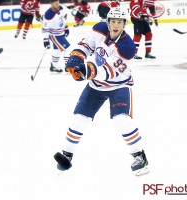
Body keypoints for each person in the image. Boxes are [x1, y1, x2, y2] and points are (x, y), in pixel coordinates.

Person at [54, 7, 149, 176]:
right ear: (108, 21)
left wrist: (86, 70)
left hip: (119, 85)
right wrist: (76, 59)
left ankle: (140, 156)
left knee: (121, 119)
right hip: (96, 85)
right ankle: (67, 156)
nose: (115, 24)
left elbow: (109, 71)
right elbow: (86, 45)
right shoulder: (99, 28)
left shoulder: (127, 47)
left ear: (124, 24)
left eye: (119, 22)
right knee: (79, 119)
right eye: (113, 21)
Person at [42, 0, 70, 73]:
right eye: (56, 4)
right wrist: (46, 41)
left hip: (61, 33)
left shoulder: (61, 8)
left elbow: (62, 19)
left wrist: (66, 28)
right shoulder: (48, 14)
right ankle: (68, 67)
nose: (58, 5)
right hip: (54, 35)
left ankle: (53, 66)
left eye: (58, 3)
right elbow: (45, 28)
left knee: (57, 50)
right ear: (51, 4)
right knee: (68, 48)